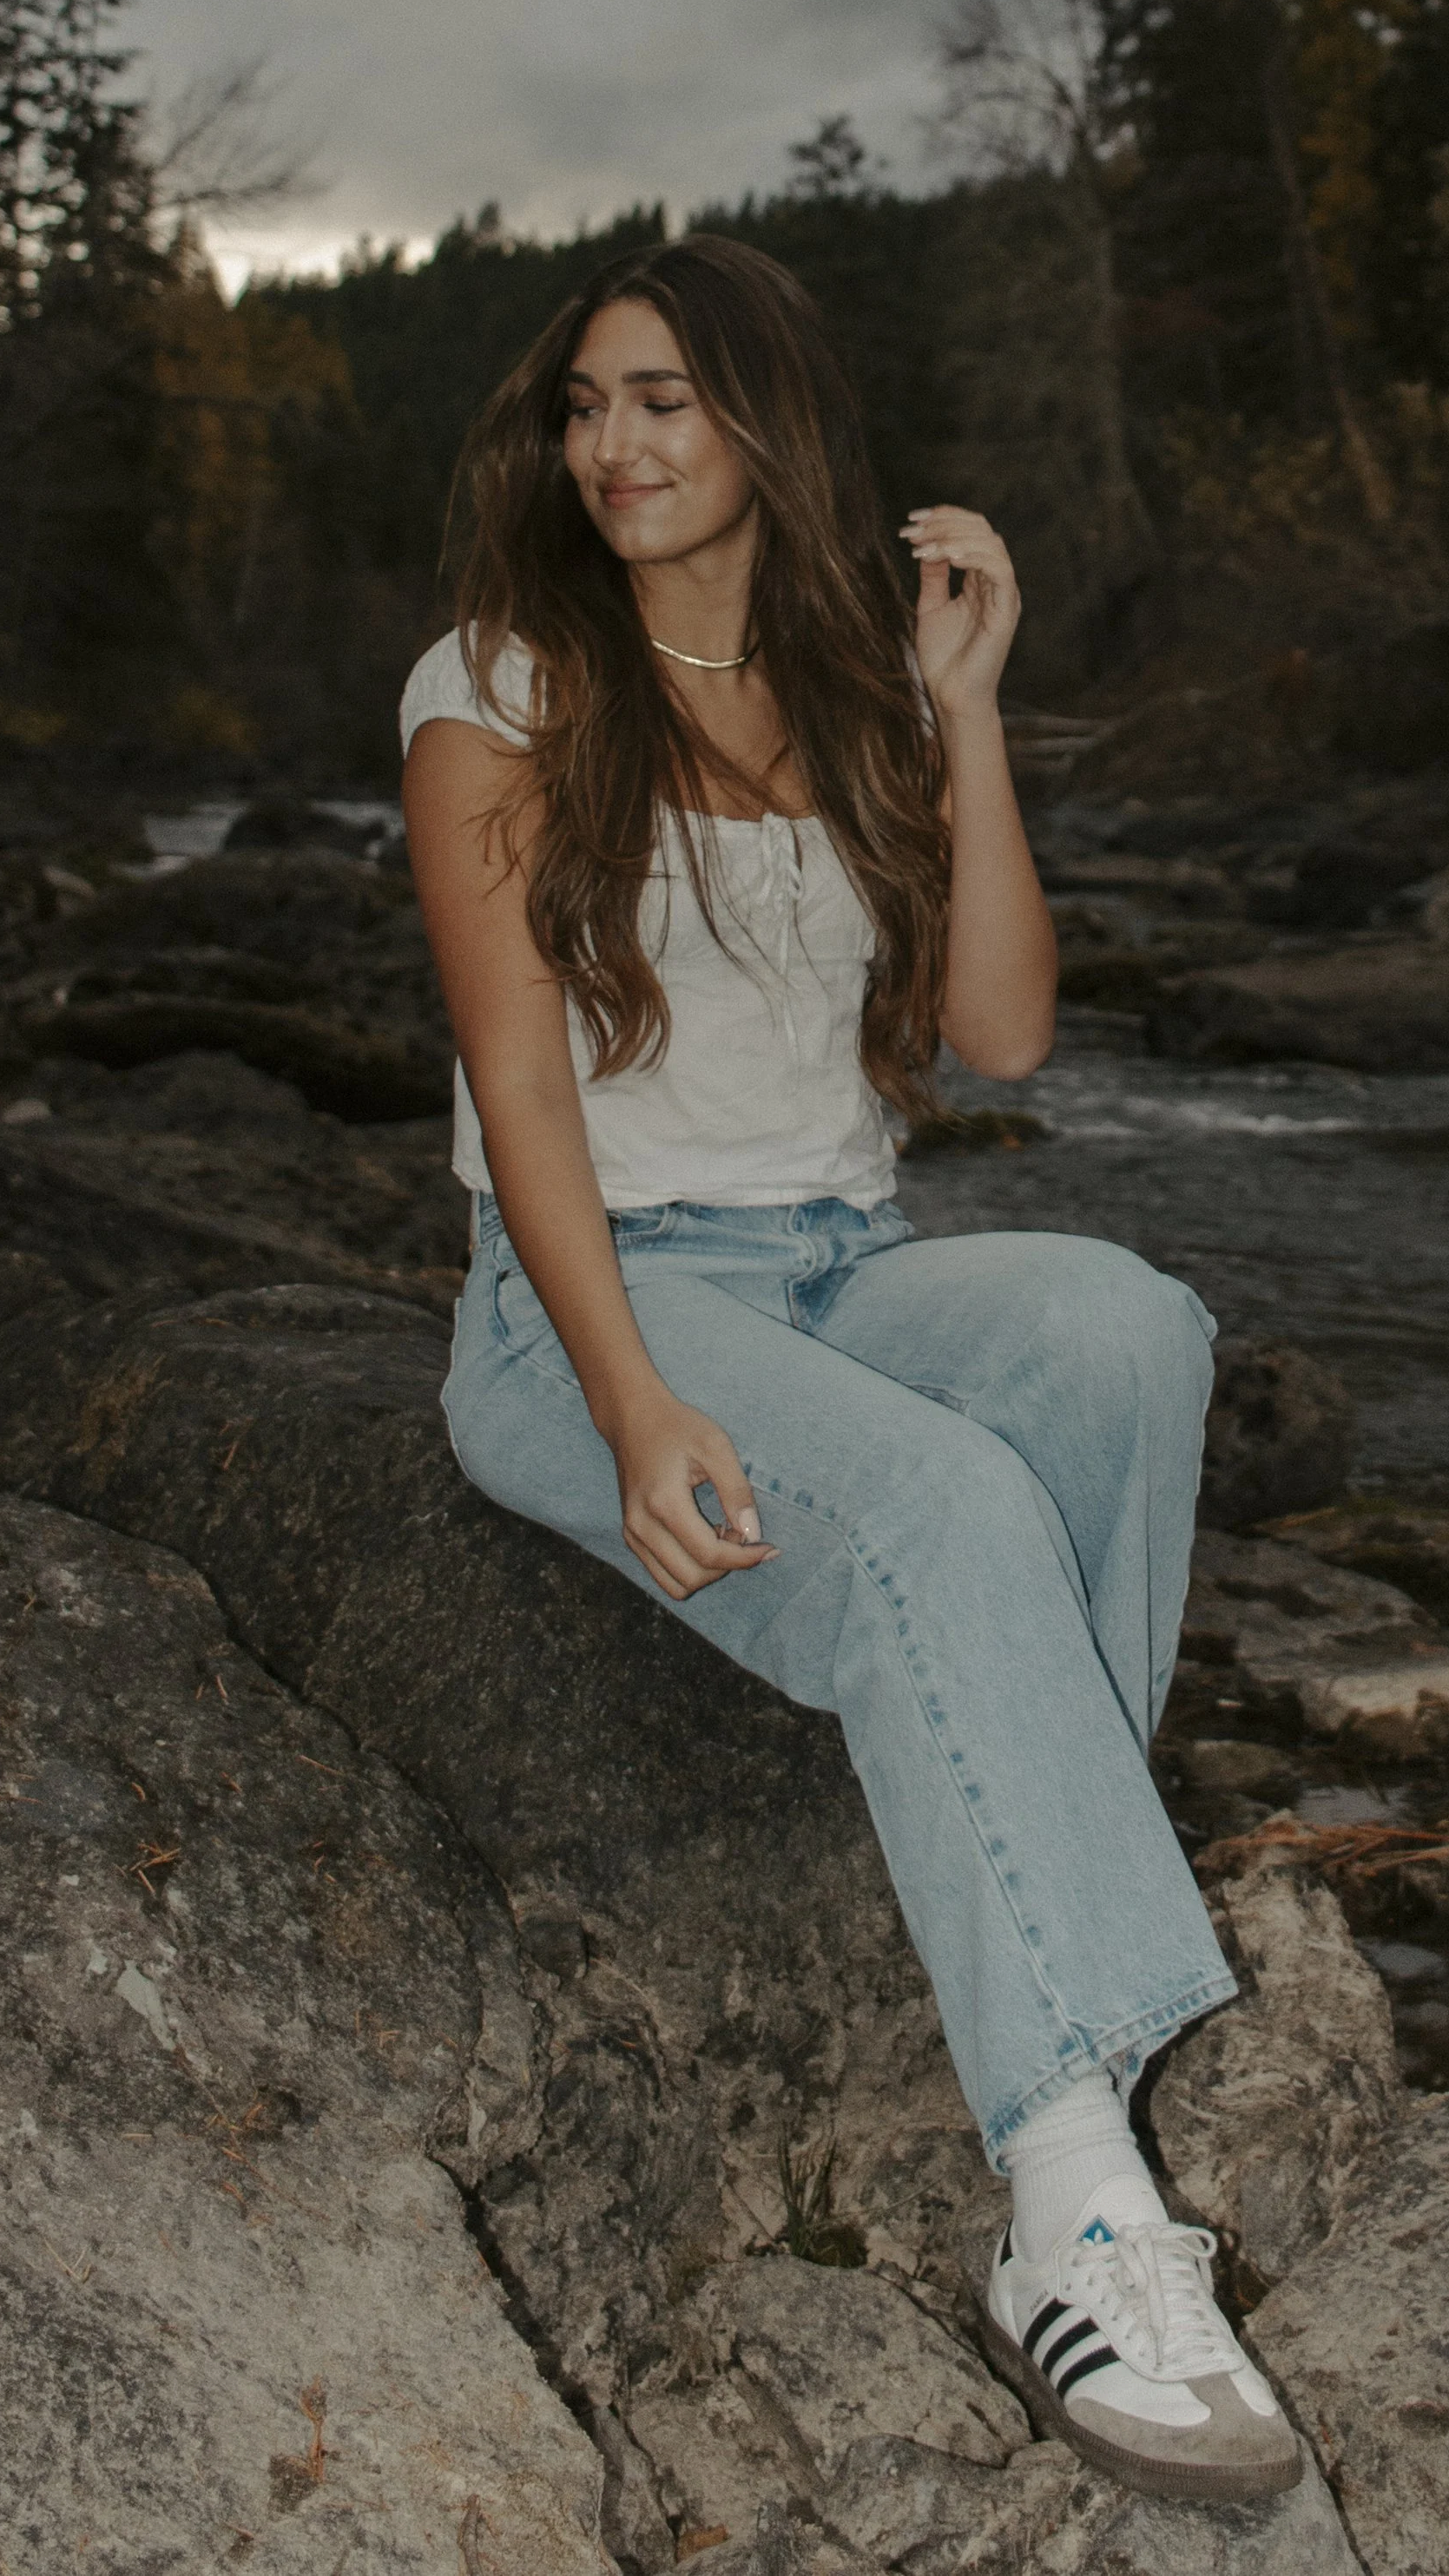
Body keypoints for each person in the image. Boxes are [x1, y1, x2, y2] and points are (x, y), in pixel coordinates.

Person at [400, 233, 1300, 2506]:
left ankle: (1006, 1899)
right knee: (944, 1507)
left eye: (665, 402)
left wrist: (968, 708)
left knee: (1123, 1327)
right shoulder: (494, 679)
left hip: (837, 1261)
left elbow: (998, 1034)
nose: (610, 443)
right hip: (587, 1289)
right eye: (586, 403)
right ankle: (1078, 2197)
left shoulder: (856, 686)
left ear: (766, 427)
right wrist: (626, 1401)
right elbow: (518, 1104)